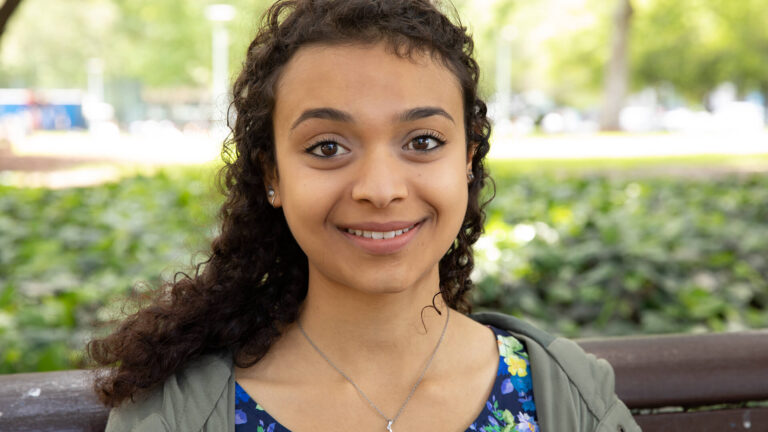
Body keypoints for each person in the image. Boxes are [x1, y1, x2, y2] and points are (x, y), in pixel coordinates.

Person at [88, 1, 640, 431]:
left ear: (468, 160)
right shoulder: (178, 414)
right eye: (327, 147)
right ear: (272, 175)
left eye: (423, 141)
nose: (380, 190)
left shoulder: (563, 394)